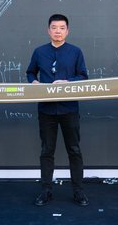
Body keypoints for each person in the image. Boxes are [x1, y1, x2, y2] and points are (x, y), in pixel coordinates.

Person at [26, 14, 89, 207]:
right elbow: (30, 72)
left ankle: (78, 192)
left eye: (62, 28)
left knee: (74, 150)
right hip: (46, 109)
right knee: (47, 151)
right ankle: (46, 191)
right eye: (54, 27)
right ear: (48, 30)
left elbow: (83, 77)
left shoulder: (75, 52)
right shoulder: (39, 52)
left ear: (67, 31)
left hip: (69, 108)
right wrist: (34, 82)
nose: (58, 31)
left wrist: (68, 82)